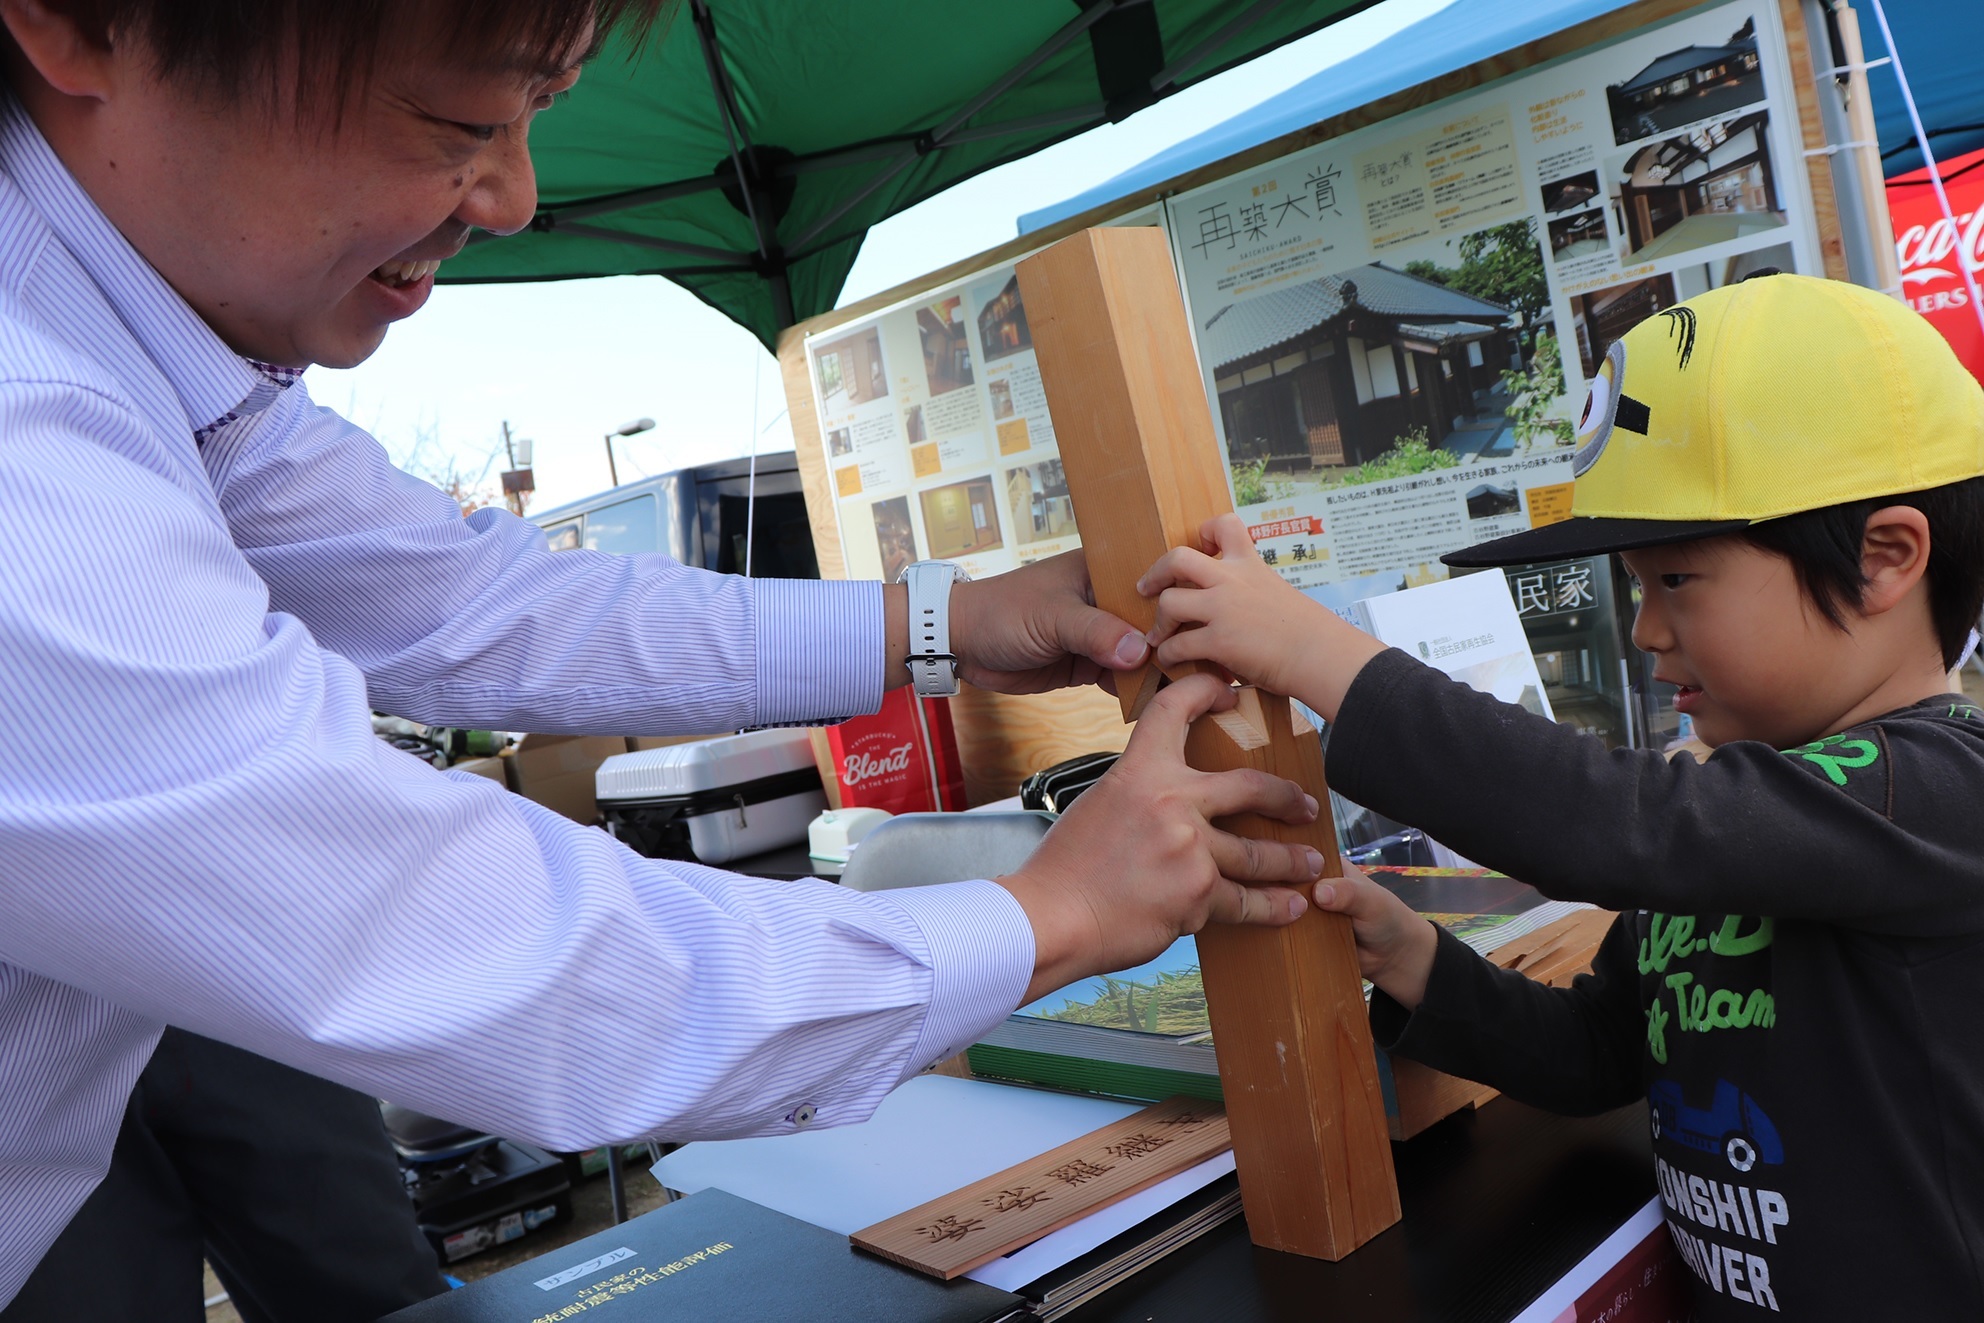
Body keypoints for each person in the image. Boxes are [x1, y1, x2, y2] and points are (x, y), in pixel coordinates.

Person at [0, 0, 1330, 1310]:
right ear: (80, 23)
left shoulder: (142, 349)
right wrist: (1046, 914)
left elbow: (473, 596)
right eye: (460, 116)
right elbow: (472, 948)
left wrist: (945, 626)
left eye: (533, 119)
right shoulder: (27, 441)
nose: (513, 194)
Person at [1137, 272, 1984, 1319]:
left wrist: (1316, 652)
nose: (1643, 629)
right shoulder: (1743, 823)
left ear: (1883, 558)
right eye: (1635, 587)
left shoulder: (1940, 791)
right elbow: (1598, 1052)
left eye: (1674, 580)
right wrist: (1420, 965)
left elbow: (1621, 827)